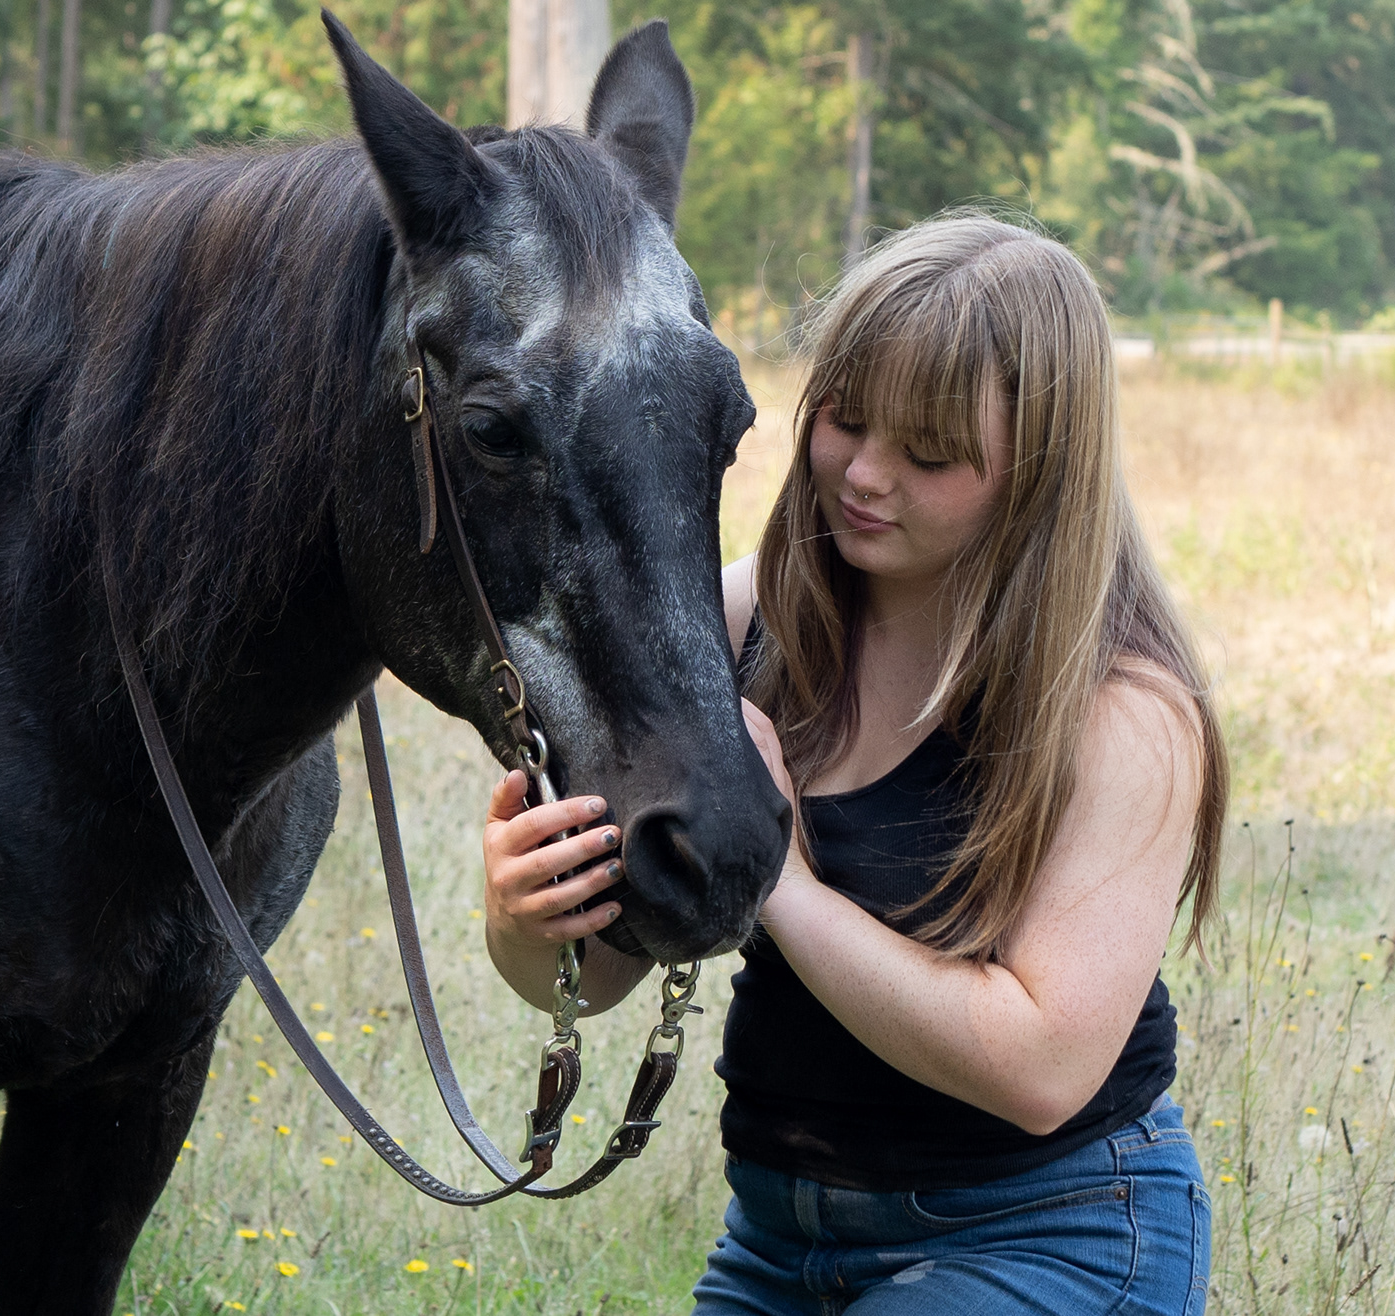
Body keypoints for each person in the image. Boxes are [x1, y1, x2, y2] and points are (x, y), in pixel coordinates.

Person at [479, 214, 1226, 1315]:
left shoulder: (1124, 713)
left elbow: (1042, 1070)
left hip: (1054, 1230)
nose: (866, 475)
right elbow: (596, 978)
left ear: (1040, 469)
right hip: (778, 1243)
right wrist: (527, 915)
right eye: (847, 418)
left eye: (929, 452)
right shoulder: (741, 625)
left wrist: (778, 875)